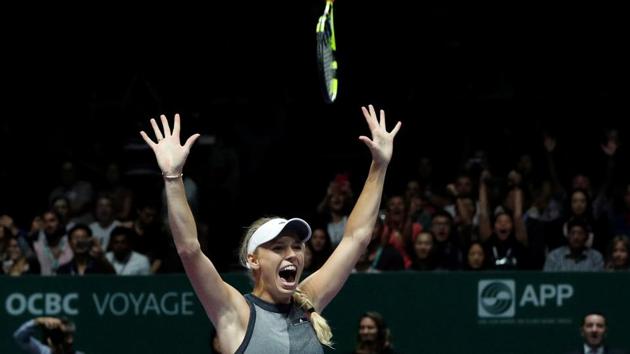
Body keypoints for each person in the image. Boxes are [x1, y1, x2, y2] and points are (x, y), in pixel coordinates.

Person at [140, 105, 401, 353]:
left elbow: (356, 238)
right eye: (278, 248)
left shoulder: (308, 299)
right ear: (253, 260)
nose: (292, 254)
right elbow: (189, 248)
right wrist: (173, 178)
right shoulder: (235, 311)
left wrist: (379, 166)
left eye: (297, 246)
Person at [13, 316, 85, 354]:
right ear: (49, 341)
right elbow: (20, 337)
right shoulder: (42, 351)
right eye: (63, 336)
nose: (70, 341)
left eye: (70, 335)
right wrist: (38, 321)